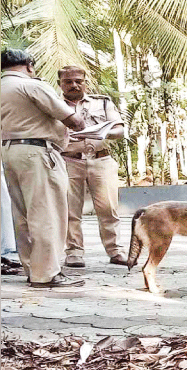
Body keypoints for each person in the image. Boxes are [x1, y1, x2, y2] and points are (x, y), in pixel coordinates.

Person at [1, 49, 86, 288]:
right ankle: (46, 274)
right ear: (29, 65)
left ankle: (32, 268)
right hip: (37, 151)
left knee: (22, 215)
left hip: (8, 150)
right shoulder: (31, 86)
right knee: (47, 213)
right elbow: (73, 120)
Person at [57, 66, 127, 268]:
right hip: (69, 160)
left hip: (101, 160)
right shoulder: (54, 105)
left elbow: (120, 129)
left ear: (86, 82)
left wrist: (103, 132)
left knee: (108, 208)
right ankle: (74, 253)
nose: (74, 85)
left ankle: (115, 251)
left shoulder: (102, 102)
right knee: (70, 210)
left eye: (78, 80)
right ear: (60, 84)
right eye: (68, 81)